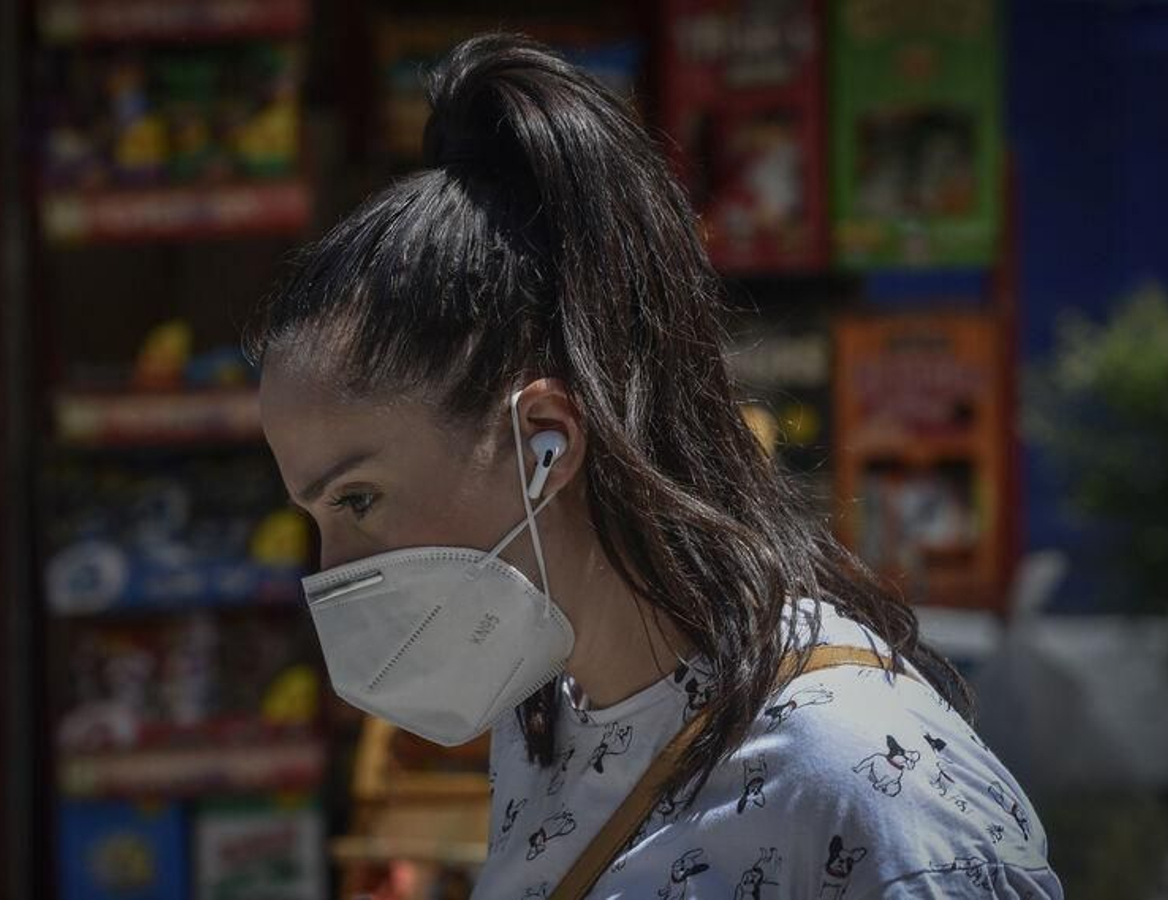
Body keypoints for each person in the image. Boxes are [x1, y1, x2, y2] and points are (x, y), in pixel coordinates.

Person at [248, 32, 1061, 900]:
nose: (334, 572)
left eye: (358, 497)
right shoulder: (546, 719)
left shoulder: (860, 780)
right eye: (317, 516)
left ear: (545, 441)